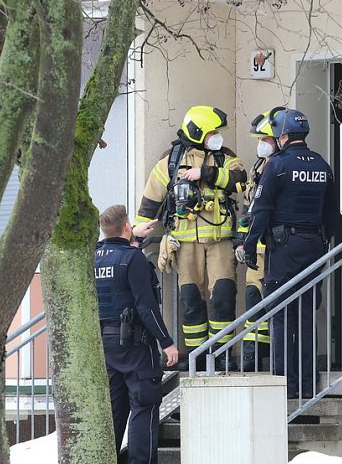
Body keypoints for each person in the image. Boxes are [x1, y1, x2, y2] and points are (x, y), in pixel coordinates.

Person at [135, 106, 247, 370]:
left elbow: (240, 180)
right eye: (211, 132)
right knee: (191, 299)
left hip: (220, 241)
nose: (216, 136)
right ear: (198, 133)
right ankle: (197, 355)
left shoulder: (224, 157)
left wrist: (206, 174)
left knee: (223, 296)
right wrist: (136, 239)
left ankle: (222, 354)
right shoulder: (171, 161)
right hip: (185, 244)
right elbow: (150, 201)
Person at [239, 107, 338, 399]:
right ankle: (307, 385)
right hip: (314, 246)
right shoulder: (322, 165)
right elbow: (332, 213)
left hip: (283, 249)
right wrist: (323, 242)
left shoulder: (277, 165)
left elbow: (260, 210)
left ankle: (284, 385)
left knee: (281, 316)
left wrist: (248, 246)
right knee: (306, 315)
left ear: (282, 136)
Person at [95, 205, 179, 463]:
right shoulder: (134, 259)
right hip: (136, 345)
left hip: (105, 346)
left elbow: (116, 253)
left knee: (114, 412)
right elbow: (146, 306)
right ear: (126, 226)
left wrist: (135, 237)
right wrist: (167, 343)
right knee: (144, 407)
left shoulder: (94, 256)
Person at [233, 110, 278, 371]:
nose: (260, 144)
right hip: (255, 247)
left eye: (265, 138)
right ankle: (251, 356)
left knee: (272, 300)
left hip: (275, 247)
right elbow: (249, 209)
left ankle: (274, 355)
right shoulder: (259, 166)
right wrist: (242, 241)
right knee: (253, 299)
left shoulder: (281, 166)